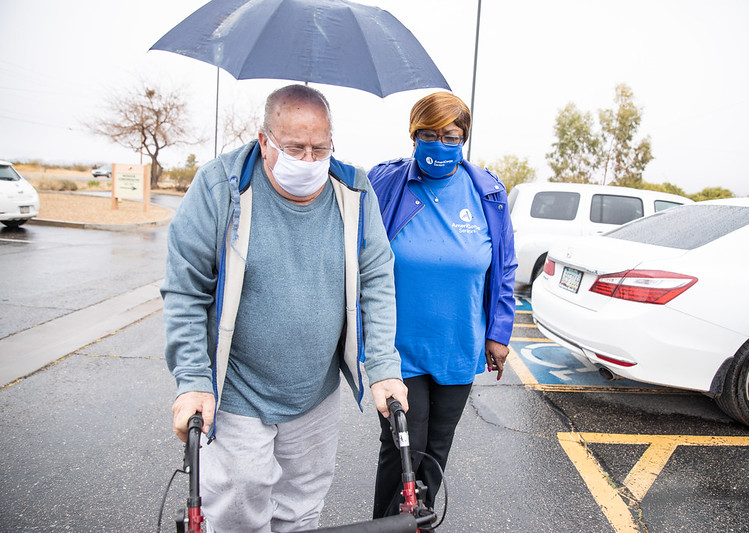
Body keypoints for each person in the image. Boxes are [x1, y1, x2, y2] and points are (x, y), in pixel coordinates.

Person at [161, 84, 408, 532]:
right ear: (264, 141)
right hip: (237, 388)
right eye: (295, 148)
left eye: (321, 148)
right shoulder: (220, 187)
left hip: (315, 390)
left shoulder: (355, 191)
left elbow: (376, 280)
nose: (310, 161)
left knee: (301, 509)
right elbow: (185, 289)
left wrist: (385, 366)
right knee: (238, 504)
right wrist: (193, 379)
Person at [368, 91, 517, 519]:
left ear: (463, 137)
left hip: (458, 344)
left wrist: (498, 333)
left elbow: (504, 266)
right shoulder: (387, 183)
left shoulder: (487, 192)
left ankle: (420, 522)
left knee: (436, 451)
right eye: (428, 134)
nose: (439, 142)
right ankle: (388, 526)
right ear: (413, 136)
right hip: (399, 349)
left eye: (450, 135)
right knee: (402, 451)